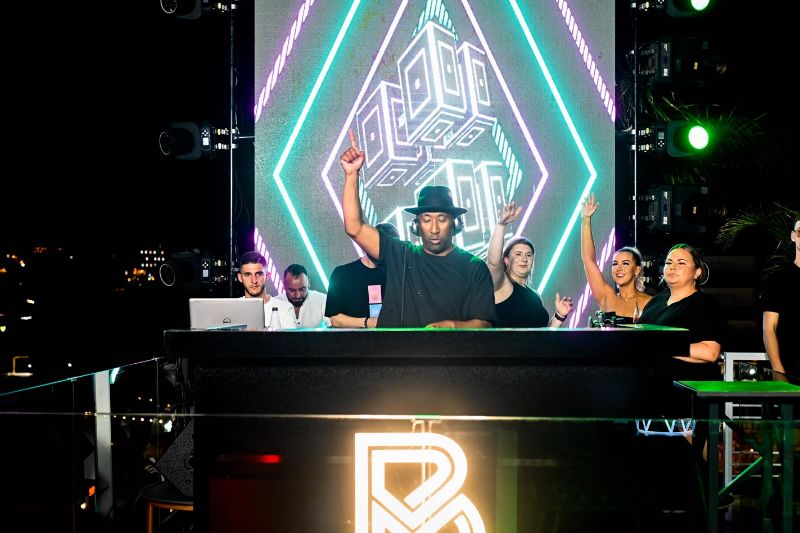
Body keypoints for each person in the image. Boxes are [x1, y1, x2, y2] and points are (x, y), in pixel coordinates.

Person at [340, 129, 496, 328]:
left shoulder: (474, 267)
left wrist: (452, 326)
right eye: (426, 220)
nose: (434, 229)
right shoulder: (401, 254)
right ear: (416, 225)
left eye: (442, 219)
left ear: (455, 224)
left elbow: (484, 324)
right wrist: (352, 175)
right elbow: (354, 227)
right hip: (396, 349)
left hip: (448, 349)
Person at [638, 243, 726, 375]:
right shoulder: (655, 301)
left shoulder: (704, 303)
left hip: (681, 384)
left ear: (697, 272)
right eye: (668, 262)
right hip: (643, 381)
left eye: (681, 263)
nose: (672, 267)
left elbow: (710, 352)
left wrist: (659, 346)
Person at [487, 201, 574, 327]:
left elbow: (543, 334)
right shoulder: (502, 285)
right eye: (518, 254)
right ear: (506, 260)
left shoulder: (535, 295)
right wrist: (501, 225)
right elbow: (493, 263)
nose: (524, 259)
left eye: (528, 255)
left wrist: (559, 315)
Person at [580, 193, 651, 322]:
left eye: (625, 263)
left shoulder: (649, 303)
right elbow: (588, 260)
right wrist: (586, 220)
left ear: (637, 270)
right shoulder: (607, 297)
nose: (619, 268)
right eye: (615, 264)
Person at [325, 222, 400, 328]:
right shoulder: (342, 274)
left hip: (395, 337)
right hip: (354, 337)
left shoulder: (400, 275)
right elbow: (335, 319)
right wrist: (369, 323)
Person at [761, 217, 800, 382]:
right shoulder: (778, 279)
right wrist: (778, 372)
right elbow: (769, 328)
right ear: (793, 236)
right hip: (793, 370)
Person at [237, 251, 297, 329]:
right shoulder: (232, 308)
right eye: (248, 275)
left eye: (259, 274)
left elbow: (292, 337)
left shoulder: (285, 309)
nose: (254, 280)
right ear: (240, 277)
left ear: (267, 276)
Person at [276, 264, 331, 328]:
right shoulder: (274, 303)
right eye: (292, 290)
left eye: (302, 289)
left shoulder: (322, 300)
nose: (297, 295)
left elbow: (334, 326)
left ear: (308, 283)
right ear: (284, 286)